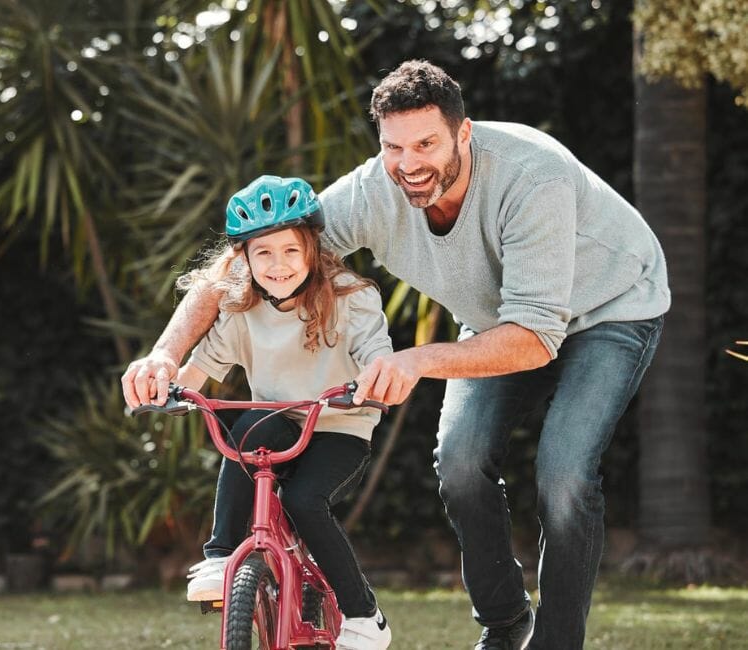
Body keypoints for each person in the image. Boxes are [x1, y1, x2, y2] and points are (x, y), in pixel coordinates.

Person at [123, 60, 668, 650]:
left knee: (563, 474)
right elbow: (242, 268)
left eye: (428, 143)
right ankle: (505, 622)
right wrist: (164, 355)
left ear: (464, 133)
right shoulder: (374, 191)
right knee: (460, 463)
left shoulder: (532, 179)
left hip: (611, 308)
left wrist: (414, 360)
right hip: (498, 321)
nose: (410, 164)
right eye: (394, 146)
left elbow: (536, 338)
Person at [170, 175, 394, 650]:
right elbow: (202, 366)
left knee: (305, 500)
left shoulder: (351, 297)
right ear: (244, 259)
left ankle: (364, 615)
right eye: (264, 253)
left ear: (312, 250)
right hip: (278, 420)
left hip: (339, 425)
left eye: (291, 251)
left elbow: (376, 350)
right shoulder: (240, 307)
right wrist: (170, 391)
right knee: (245, 429)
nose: (278, 265)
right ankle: (221, 555)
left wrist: (376, 378)